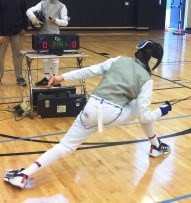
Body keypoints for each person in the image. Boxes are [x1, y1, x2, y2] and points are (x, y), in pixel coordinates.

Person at [4, 40, 172, 188]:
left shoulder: (118, 60)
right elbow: (144, 117)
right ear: (154, 61)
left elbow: (90, 71)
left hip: (90, 108)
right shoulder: (146, 80)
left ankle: (24, 174)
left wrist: (61, 77)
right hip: (112, 115)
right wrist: (161, 111)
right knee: (140, 108)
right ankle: (156, 145)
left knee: (65, 146)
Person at [26, 0, 69, 86]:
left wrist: (56, 20)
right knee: (45, 56)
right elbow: (28, 11)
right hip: (43, 34)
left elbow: (65, 22)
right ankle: (47, 78)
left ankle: (56, 78)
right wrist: (33, 18)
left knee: (55, 57)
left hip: (55, 35)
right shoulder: (43, 3)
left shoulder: (62, 6)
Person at [0, 0, 28, 86]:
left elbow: (24, 13)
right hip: (2, 33)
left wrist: (24, 27)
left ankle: (19, 78)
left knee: (18, 55)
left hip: (17, 31)